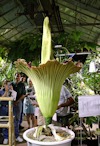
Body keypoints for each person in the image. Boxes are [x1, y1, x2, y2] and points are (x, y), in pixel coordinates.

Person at [0, 80, 17, 144]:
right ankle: (6, 137)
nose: (9, 86)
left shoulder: (12, 91)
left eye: (10, 84)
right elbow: (1, 99)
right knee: (5, 123)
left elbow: (14, 98)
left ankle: (13, 136)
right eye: (7, 84)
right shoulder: (1, 91)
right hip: (3, 108)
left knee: (12, 122)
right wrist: (6, 92)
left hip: (10, 108)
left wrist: (11, 91)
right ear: (4, 85)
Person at [11, 72, 26, 142]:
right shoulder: (12, 84)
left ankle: (16, 135)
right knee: (11, 119)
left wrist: (17, 101)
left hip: (18, 103)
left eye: (18, 76)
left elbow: (23, 94)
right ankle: (9, 135)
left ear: (20, 77)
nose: (17, 77)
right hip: (10, 103)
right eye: (16, 76)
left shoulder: (22, 85)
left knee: (17, 119)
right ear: (14, 77)